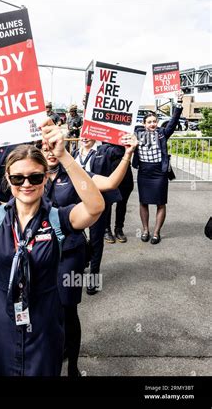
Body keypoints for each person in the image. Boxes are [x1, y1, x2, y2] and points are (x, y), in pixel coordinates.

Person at [0, 125, 105, 376]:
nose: (26, 184)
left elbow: (95, 207)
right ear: (8, 179)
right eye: (18, 178)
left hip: (43, 317)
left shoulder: (58, 218)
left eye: (35, 177)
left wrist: (64, 157)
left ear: (45, 177)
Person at [41, 131, 138, 376]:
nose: (50, 152)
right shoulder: (31, 177)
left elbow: (111, 183)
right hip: (40, 253)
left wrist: (128, 154)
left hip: (70, 253)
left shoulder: (75, 173)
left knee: (67, 308)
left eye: (54, 147)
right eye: (45, 149)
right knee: (44, 308)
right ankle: (54, 352)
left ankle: (72, 364)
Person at [72, 135, 123, 295]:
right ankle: (81, 266)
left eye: (89, 135)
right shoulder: (73, 153)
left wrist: (121, 136)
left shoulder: (105, 150)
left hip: (98, 203)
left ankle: (93, 279)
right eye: (82, 135)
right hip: (76, 204)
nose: (85, 138)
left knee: (95, 240)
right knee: (77, 238)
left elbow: (120, 151)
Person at [133, 91, 184, 244]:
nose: (153, 124)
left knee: (160, 203)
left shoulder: (162, 133)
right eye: (149, 122)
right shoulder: (136, 133)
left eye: (154, 121)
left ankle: (156, 233)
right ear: (144, 124)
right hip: (144, 173)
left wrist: (179, 103)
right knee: (143, 202)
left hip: (159, 173)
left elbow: (173, 121)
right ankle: (145, 230)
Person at [103, 143, 134, 243]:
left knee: (122, 203)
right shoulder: (106, 130)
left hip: (125, 172)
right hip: (108, 172)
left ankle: (119, 229)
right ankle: (106, 229)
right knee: (108, 203)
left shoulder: (128, 130)